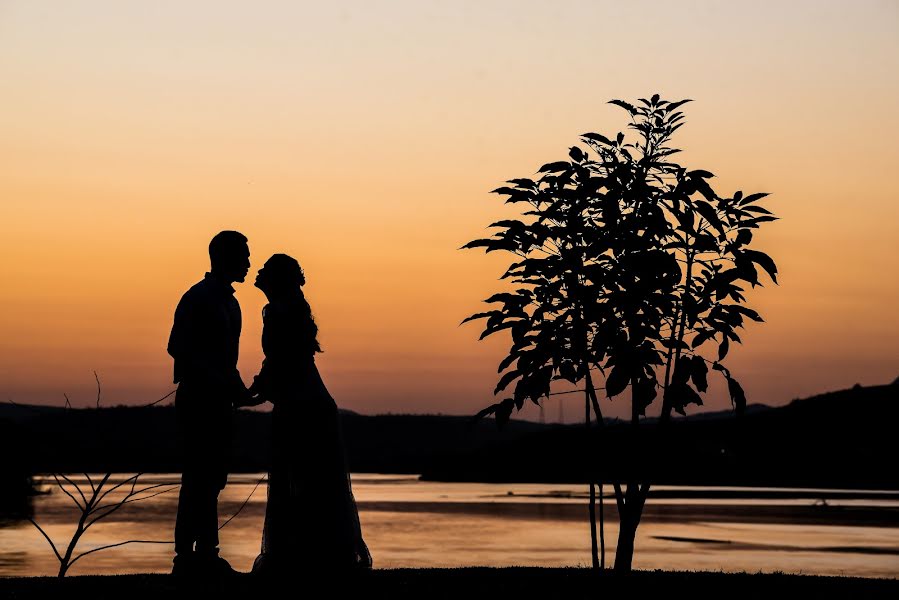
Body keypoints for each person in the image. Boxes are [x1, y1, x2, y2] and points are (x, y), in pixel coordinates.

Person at [240, 253, 371, 575]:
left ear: (275, 281)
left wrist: (251, 392)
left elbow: (281, 361)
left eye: (265, 274)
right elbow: (282, 362)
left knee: (300, 480)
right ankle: (320, 554)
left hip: (302, 406)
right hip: (309, 402)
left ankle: (300, 557)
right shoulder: (290, 309)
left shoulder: (278, 311)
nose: (257, 276)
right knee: (314, 482)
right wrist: (258, 391)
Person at [167, 230, 252, 577]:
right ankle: (187, 557)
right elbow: (178, 348)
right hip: (198, 402)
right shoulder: (197, 298)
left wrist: (242, 391)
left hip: (219, 405)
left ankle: (206, 554)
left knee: (213, 479)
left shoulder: (232, 303)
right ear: (224, 257)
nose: (248, 262)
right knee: (197, 479)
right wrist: (216, 380)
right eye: (244, 256)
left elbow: (228, 364)